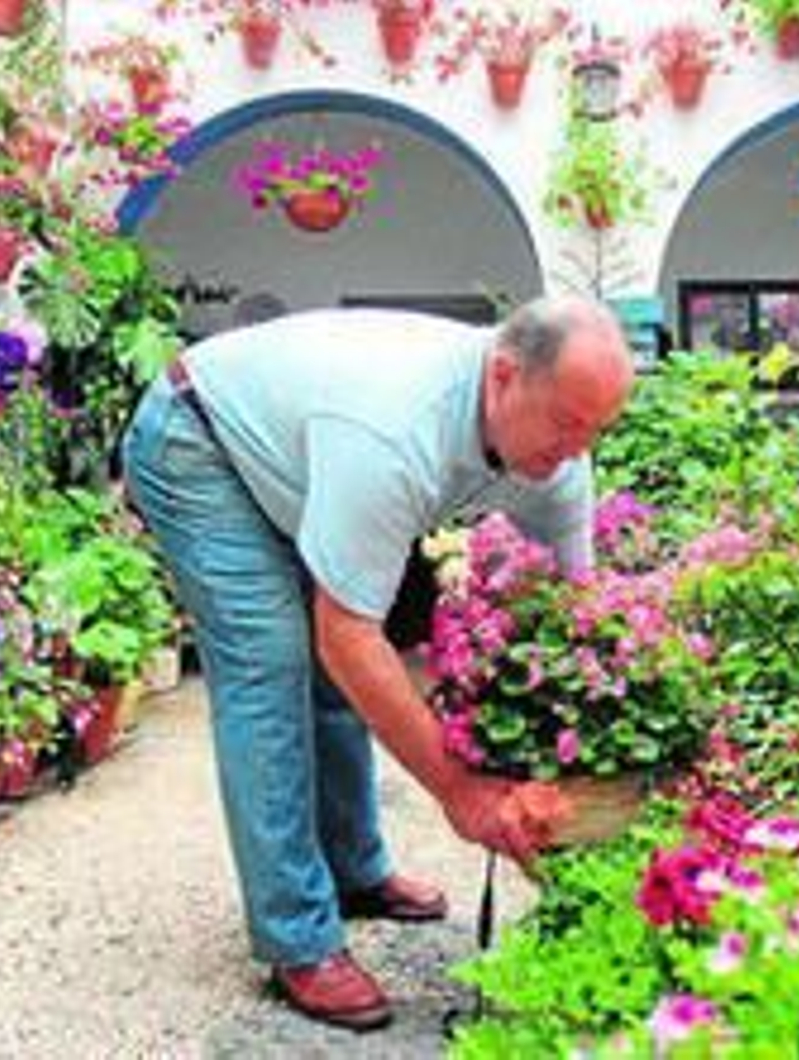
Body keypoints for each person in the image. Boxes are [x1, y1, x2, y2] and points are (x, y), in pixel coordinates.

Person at [120, 295, 634, 1031]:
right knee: (272, 667)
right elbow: (350, 632)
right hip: (197, 438)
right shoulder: (396, 429)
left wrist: (578, 759)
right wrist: (461, 790)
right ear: (503, 377)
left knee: (338, 678)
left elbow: (572, 616)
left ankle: (355, 870)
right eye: (565, 424)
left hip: (296, 453)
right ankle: (297, 937)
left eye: (595, 431)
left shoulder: (557, 457)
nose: (575, 451)